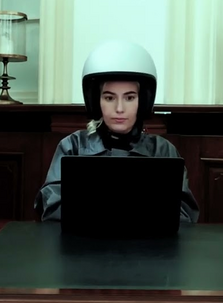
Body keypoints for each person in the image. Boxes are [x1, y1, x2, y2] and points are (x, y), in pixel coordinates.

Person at [34, 39, 200, 223]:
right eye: (109, 98)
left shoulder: (162, 151)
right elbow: (52, 208)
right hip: (84, 240)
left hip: (147, 241)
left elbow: (185, 215)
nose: (119, 108)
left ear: (142, 102)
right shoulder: (73, 146)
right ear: (96, 101)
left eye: (129, 98)